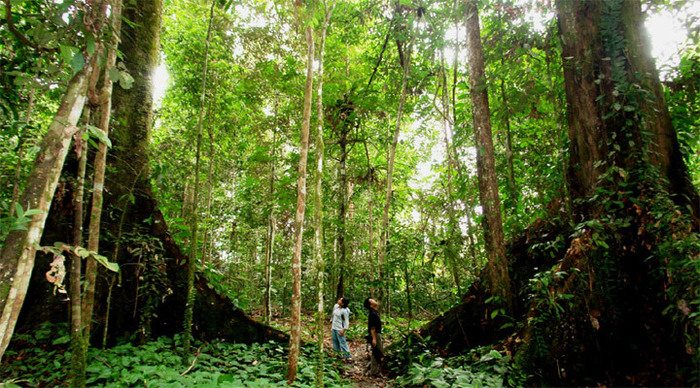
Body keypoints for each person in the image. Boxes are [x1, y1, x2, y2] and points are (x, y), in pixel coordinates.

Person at [363, 297, 383, 376]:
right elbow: (372, 328)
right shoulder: (373, 314)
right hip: (376, 335)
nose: (374, 300)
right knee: (377, 353)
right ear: (371, 305)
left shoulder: (374, 312)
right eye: (372, 300)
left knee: (376, 352)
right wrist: (374, 339)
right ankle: (373, 371)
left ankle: (372, 369)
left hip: (376, 334)